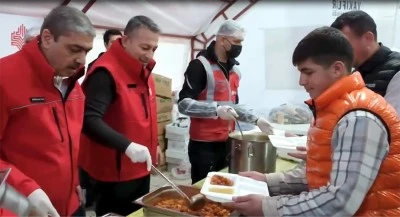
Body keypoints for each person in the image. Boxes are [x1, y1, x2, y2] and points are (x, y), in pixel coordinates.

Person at [227, 26, 400, 216]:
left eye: (308, 72)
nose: (301, 81)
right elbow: (321, 173)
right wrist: (268, 181)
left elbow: (340, 202)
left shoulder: (358, 118)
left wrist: (268, 207)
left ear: (337, 69)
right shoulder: (332, 109)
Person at [0, 6, 95, 217]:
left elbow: (69, 145)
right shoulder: (4, 79)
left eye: (86, 51)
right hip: (21, 208)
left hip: (71, 205)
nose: (82, 60)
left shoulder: (73, 85)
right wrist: (27, 190)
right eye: (74, 49)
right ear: (47, 38)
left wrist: (75, 180)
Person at [78, 15, 162, 216]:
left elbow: (146, 114)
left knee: (137, 212)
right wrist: (128, 146)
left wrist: (155, 143)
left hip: (141, 164)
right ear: (125, 41)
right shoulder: (105, 72)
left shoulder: (143, 70)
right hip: (115, 171)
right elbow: (88, 119)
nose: (149, 55)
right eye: (144, 47)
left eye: (154, 49)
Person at [178, 19, 273, 184]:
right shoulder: (199, 66)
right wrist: (215, 110)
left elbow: (233, 107)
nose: (240, 46)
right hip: (204, 146)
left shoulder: (235, 71)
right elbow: (183, 104)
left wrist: (256, 120)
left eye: (242, 42)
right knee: (203, 190)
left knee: (224, 187)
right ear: (222, 40)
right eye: (237, 41)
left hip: (228, 142)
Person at [80, 28, 122, 209]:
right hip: (100, 134)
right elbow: (91, 116)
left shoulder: (125, 67)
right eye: (113, 43)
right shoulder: (100, 69)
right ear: (105, 45)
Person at [331, 10, 400, 114]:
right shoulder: (353, 74)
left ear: (368, 38)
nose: (339, 52)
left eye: (345, 45)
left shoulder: (396, 72)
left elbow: (391, 123)